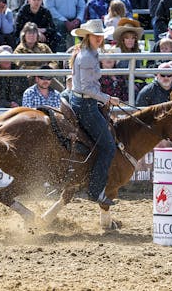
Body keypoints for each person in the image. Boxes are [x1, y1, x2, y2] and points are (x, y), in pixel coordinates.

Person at [69, 19, 119, 206]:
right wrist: (107, 98)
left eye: (100, 36)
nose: (99, 38)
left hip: (82, 101)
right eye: (96, 35)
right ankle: (95, 191)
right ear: (88, 36)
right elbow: (85, 88)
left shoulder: (85, 53)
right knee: (108, 147)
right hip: (86, 105)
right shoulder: (88, 57)